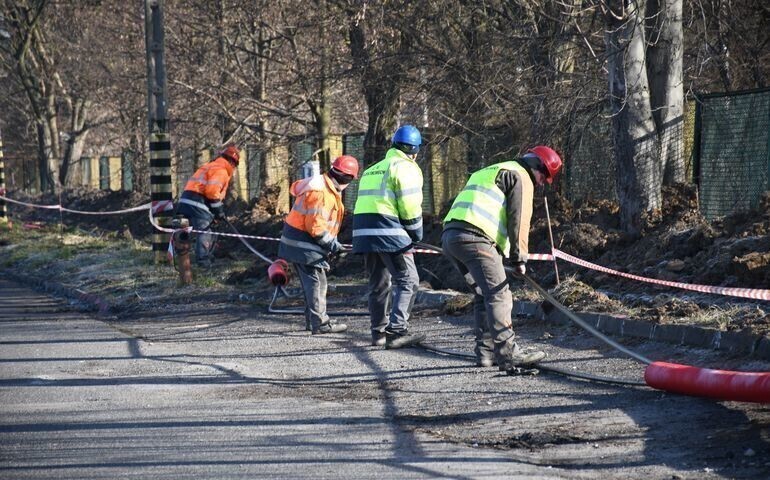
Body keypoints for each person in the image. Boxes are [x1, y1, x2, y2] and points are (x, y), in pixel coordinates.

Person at [441, 145, 563, 371]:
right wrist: (519, 259)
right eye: (542, 178)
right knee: (500, 295)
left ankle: (486, 353)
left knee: (482, 293)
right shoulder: (520, 176)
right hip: (476, 239)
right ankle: (509, 354)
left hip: (451, 236)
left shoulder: (490, 170)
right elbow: (519, 220)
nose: (539, 183)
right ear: (537, 167)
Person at [352, 125, 426, 349]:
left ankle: (378, 334)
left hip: (364, 233)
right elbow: (410, 204)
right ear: (414, 151)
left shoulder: (373, 169)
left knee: (378, 283)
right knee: (409, 280)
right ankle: (397, 331)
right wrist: (415, 233)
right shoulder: (407, 167)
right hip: (389, 231)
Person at [278, 155, 359, 334]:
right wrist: (332, 244)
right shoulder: (323, 193)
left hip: (298, 242)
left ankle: (313, 321)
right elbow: (315, 226)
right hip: (304, 244)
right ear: (348, 178)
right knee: (317, 284)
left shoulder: (323, 186)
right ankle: (321, 324)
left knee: (312, 284)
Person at [176, 144, 240, 268]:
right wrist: (219, 210)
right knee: (205, 230)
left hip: (186, 201)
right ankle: (203, 262)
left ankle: (181, 259)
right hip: (198, 203)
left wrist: (215, 212)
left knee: (184, 232)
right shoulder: (222, 170)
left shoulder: (210, 165)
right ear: (233, 163)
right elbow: (211, 192)